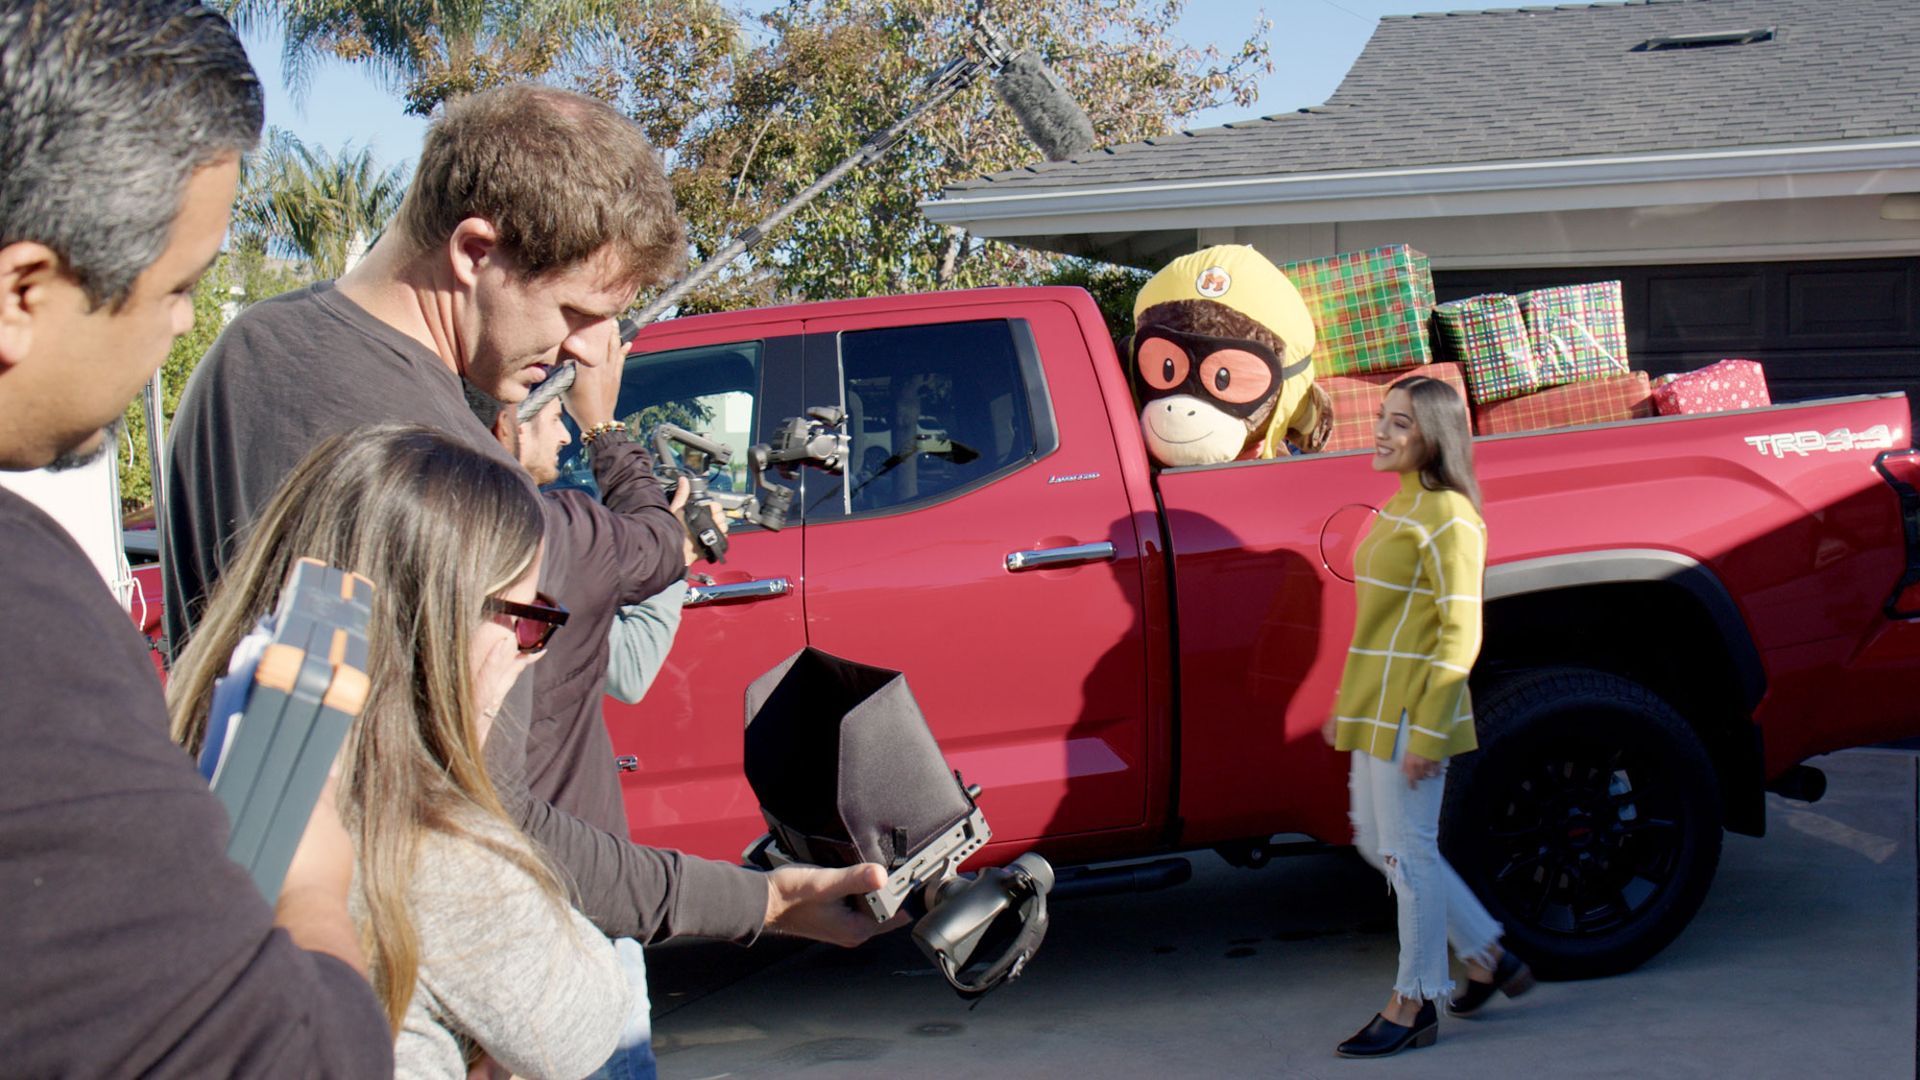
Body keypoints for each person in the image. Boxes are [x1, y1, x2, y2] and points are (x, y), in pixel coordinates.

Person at [161, 80, 891, 976]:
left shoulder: (251, 354)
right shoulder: (442, 476)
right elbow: (480, 816)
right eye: (577, 313)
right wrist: (757, 901)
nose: (589, 351)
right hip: (439, 985)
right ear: (476, 250)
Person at [0, 1, 391, 1073]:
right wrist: (308, 886)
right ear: (22, 291)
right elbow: (285, 1056)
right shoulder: (25, 621)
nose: (180, 325)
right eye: (175, 287)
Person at [170, 425, 630, 1079]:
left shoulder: (177, 772)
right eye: (531, 619)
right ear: (449, 628)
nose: (531, 652)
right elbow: (585, 1021)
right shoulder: (429, 849)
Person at [465, 346, 717, 1080]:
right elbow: (635, 653)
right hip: (578, 889)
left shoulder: (435, 528)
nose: (567, 439)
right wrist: (608, 430)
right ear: (510, 420)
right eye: (555, 420)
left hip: (482, 887)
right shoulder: (549, 534)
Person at [1320, 375, 1532, 1059]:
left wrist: (1434, 731)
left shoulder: (1450, 517)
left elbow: (1459, 632)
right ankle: (1486, 955)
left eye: (1401, 423)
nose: (1382, 432)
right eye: (1382, 418)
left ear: (1434, 437)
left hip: (1415, 712)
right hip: (1377, 709)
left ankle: (1413, 1002)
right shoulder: (1398, 505)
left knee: (1407, 855)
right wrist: (1348, 707)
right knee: (1375, 842)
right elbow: (1381, 624)